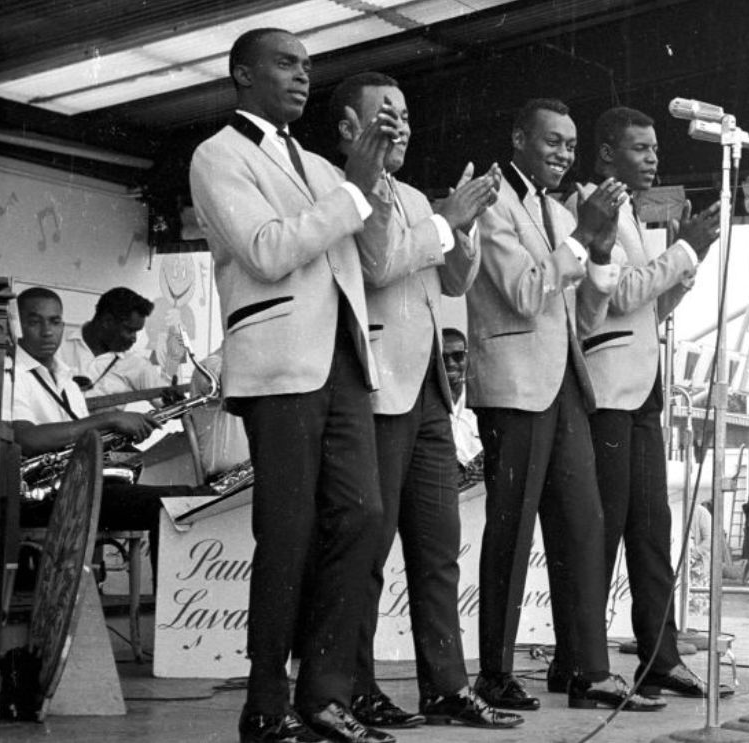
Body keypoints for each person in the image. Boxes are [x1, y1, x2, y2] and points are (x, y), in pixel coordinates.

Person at [188, 27, 396, 743]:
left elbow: (372, 257)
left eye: (308, 65)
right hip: (280, 365)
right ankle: (265, 703)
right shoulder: (218, 155)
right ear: (242, 75)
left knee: (364, 517)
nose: (303, 75)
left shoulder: (319, 163)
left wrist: (374, 184)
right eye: (285, 63)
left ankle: (325, 694)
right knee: (287, 533)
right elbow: (267, 250)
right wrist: (354, 190)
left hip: (344, 362)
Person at [330, 71, 520, 731]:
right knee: (367, 550)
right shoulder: (343, 190)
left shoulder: (413, 196)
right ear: (348, 129)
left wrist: (465, 228)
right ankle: (353, 688)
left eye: (406, 115)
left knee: (438, 549)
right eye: (385, 115)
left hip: (430, 390)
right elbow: (380, 264)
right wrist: (446, 220)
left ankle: (446, 686)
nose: (402, 126)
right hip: (378, 386)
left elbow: (456, 280)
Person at [465, 97, 663, 713]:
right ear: (519, 138)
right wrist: (583, 238)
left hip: (567, 385)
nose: (563, 154)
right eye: (553, 141)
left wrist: (597, 254)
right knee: (511, 534)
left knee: (584, 528)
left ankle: (588, 672)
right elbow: (526, 293)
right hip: (515, 387)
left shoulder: (557, 210)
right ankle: (494, 673)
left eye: (571, 145)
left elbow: (585, 316)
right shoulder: (492, 201)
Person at [562, 105, 726, 699]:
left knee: (653, 528)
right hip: (607, 390)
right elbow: (623, 291)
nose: (653, 157)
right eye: (640, 148)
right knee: (603, 532)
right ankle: (577, 661)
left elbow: (650, 309)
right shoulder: (585, 207)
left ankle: (660, 656)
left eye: (655, 148)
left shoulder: (629, 210)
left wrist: (687, 259)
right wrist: (682, 252)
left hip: (642, 387)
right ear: (606, 153)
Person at [10, 287, 207, 583]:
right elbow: (27, 439)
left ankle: (172, 603)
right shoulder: (9, 373)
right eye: (35, 322)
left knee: (187, 499)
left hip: (76, 486)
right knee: (173, 503)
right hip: (43, 496)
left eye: (55, 321)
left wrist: (120, 432)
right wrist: (110, 419)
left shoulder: (67, 380)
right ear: (19, 324)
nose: (47, 331)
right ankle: (173, 606)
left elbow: (80, 439)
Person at [57, 286, 185, 404]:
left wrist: (174, 399)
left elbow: (167, 404)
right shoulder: (56, 347)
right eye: (130, 330)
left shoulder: (136, 364)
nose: (134, 339)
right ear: (107, 321)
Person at [441, 328, 483, 487]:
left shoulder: (482, 399)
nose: (450, 363)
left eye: (457, 356)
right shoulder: (426, 406)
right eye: (443, 358)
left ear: (467, 357)